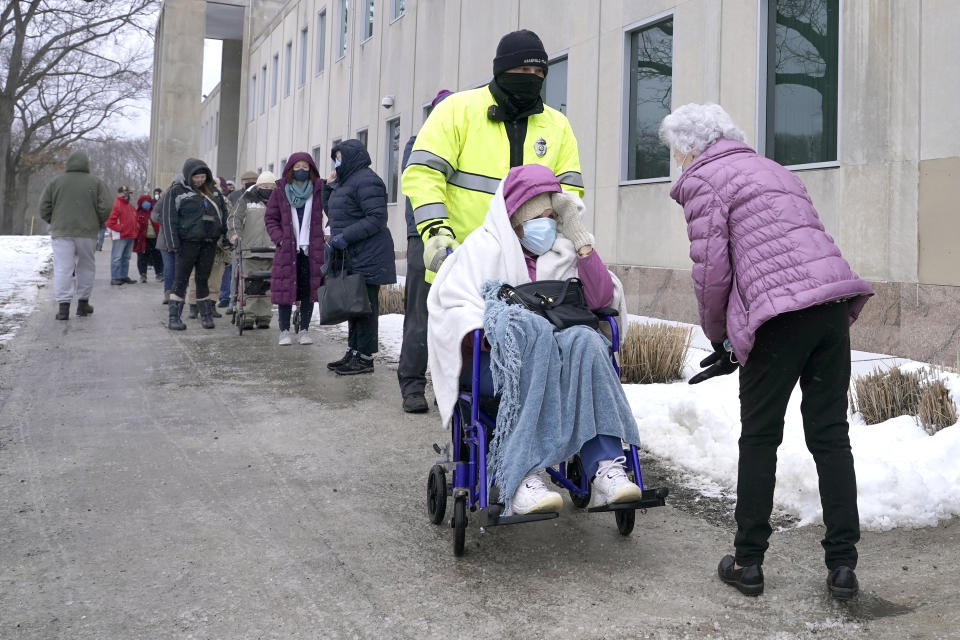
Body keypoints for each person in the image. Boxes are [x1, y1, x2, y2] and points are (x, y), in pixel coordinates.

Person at [659, 103, 875, 600]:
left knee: (759, 438)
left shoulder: (705, 179)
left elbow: (712, 271)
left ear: (690, 147)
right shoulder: (774, 169)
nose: (675, 162)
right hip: (829, 307)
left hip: (780, 319)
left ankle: (747, 562)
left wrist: (719, 337)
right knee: (831, 438)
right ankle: (843, 566)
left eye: (675, 151)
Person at [428, 164, 642, 516]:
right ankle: (521, 477)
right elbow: (452, 307)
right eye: (541, 216)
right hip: (494, 364)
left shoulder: (563, 250)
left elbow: (602, 300)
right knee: (536, 341)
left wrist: (581, 242)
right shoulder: (482, 249)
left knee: (588, 343)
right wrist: (502, 332)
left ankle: (607, 470)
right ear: (517, 219)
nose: (549, 223)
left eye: (553, 215)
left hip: (557, 359)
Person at [401, 29, 583, 285]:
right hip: (461, 264)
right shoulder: (456, 111)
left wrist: (564, 241)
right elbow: (423, 174)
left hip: (531, 270)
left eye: (539, 73)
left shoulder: (558, 126)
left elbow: (569, 190)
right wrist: (436, 232)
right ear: (503, 70)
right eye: (523, 71)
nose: (533, 78)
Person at [396, 89, 452, 413]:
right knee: (420, 313)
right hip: (422, 237)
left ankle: (449, 388)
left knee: (454, 316)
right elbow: (418, 188)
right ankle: (413, 385)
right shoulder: (418, 143)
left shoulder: (466, 143)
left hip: (460, 239)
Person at [323, 140, 396, 374]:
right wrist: (328, 187)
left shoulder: (367, 180)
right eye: (335, 158)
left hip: (369, 255)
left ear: (352, 157)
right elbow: (334, 212)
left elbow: (377, 217)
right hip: (352, 255)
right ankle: (353, 351)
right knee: (353, 306)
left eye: (340, 157)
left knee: (366, 309)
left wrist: (346, 236)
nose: (337, 162)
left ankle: (364, 358)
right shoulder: (346, 182)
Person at [39, 151, 111, 320]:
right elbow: (106, 207)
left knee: (63, 268)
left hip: (62, 231)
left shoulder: (55, 182)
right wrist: (96, 221)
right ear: (86, 164)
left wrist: (55, 220)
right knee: (86, 266)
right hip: (87, 232)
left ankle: (63, 308)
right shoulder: (96, 182)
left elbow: (43, 207)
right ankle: (83, 304)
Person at [264, 154, 327, 345]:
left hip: (311, 249)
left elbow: (334, 210)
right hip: (287, 249)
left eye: (305, 167)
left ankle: (304, 330)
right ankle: (284, 331)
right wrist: (279, 239)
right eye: (298, 166)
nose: (302, 170)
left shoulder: (318, 190)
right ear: (291, 169)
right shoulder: (280, 191)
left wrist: (328, 232)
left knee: (308, 290)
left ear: (311, 170)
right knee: (285, 290)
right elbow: (271, 218)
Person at [158, 158, 228, 330]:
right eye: (196, 177)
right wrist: (173, 244)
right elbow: (168, 220)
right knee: (180, 280)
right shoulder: (176, 192)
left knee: (202, 279)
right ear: (189, 176)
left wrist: (224, 236)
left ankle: (206, 316)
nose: (199, 180)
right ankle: (174, 317)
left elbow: (223, 215)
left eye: (202, 177)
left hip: (208, 243)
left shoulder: (214, 192)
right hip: (186, 244)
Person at [227, 171, 278, 329]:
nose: (267, 189)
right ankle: (248, 315)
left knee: (267, 285)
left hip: (272, 250)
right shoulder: (246, 200)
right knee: (249, 284)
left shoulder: (280, 202)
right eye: (264, 186)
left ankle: (264, 316)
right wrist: (235, 234)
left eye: (271, 186)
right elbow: (234, 218)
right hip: (249, 250)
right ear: (257, 186)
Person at [221, 170, 258, 309]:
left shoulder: (239, 195)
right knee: (236, 272)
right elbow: (232, 217)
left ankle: (237, 300)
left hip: (250, 238)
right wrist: (233, 235)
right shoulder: (237, 196)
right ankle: (232, 300)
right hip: (240, 239)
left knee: (239, 273)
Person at [105, 186, 138, 286]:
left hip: (129, 235)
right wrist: (121, 228)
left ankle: (123, 276)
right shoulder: (117, 205)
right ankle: (115, 277)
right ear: (119, 194)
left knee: (126, 257)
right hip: (120, 236)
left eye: (128, 193)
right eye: (124, 193)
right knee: (117, 257)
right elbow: (110, 222)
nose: (127, 195)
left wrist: (136, 228)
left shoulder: (129, 206)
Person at [152, 184, 176, 305]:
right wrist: (165, 220)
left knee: (178, 268)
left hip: (181, 240)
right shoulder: (165, 197)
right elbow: (154, 215)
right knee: (169, 268)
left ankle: (176, 293)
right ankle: (168, 293)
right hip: (165, 240)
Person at [133, 194, 163, 282]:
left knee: (157, 256)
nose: (146, 204)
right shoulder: (137, 213)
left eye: (148, 202)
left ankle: (159, 273)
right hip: (142, 239)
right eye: (144, 202)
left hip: (155, 238)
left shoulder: (154, 213)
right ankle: (143, 275)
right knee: (142, 257)